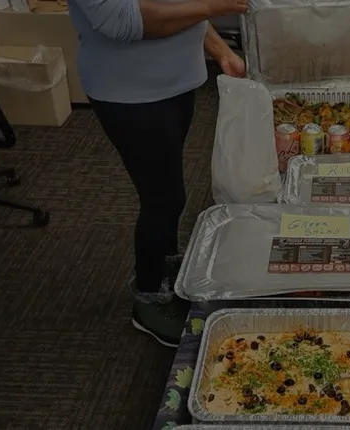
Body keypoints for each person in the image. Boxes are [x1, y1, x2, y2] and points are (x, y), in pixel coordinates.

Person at [69, 0, 248, 347]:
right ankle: (148, 295)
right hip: (131, 91)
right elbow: (124, 21)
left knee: (166, 188)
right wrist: (215, 6)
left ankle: (166, 264)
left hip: (174, 83)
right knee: (163, 198)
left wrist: (221, 50)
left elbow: (181, 7)